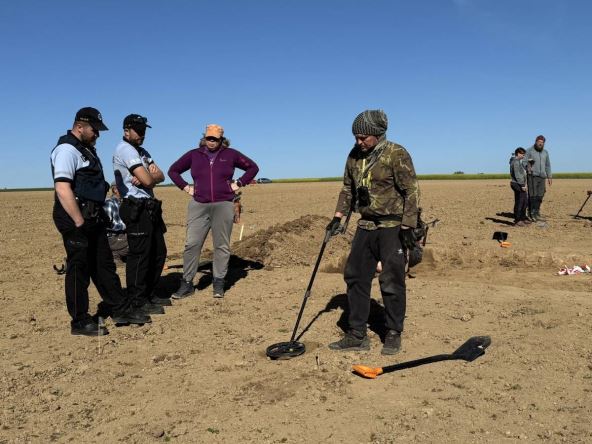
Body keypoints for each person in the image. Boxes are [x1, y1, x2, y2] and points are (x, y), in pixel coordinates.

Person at [50, 107, 151, 336]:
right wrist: (77, 221)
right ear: (80, 127)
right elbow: (63, 188)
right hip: (75, 217)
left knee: (104, 265)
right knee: (79, 269)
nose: (98, 134)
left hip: (92, 216)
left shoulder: (86, 150)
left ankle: (119, 309)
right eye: (94, 129)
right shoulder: (67, 150)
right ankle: (80, 321)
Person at [326, 109, 420, 355]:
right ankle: (357, 334)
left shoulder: (396, 154)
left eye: (364, 138)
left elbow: (411, 191)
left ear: (378, 134)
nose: (359, 142)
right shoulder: (354, 156)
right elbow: (347, 188)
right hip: (366, 224)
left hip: (392, 226)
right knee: (355, 275)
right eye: (356, 137)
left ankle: (393, 332)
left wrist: (409, 226)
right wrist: (338, 218)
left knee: (391, 279)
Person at [168, 124, 259, 299]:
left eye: (215, 139)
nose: (211, 142)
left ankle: (218, 282)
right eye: (209, 138)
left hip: (223, 204)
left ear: (221, 139)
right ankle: (186, 284)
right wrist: (186, 188)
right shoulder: (194, 155)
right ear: (204, 137)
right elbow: (173, 170)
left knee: (221, 246)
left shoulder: (231, 154)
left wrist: (238, 184)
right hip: (199, 205)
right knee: (192, 244)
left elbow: (253, 167)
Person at [113, 114, 169, 313]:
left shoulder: (142, 151)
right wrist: (148, 175)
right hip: (135, 205)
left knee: (158, 251)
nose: (142, 134)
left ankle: (150, 293)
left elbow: (160, 175)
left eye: (144, 130)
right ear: (126, 130)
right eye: (138, 130)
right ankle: (137, 298)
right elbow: (147, 180)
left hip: (150, 205)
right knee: (140, 254)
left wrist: (150, 176)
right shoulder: (125, 149)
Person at [525, 135, 552, 221]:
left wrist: (549, 176)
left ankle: (537, 212)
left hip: (542, 176)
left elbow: (547, 165)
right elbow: (524, 162)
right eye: (539, 142)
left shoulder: (545, 152)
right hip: (532, 176)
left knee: (540, 195)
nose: (540, 144)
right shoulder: (529, 150)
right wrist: (528, 167)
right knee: (533, 195)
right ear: (536, 141)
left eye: (542, 143)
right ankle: (531, 213)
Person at [103, 181, 129, 261]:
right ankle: (115, 253)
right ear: (115, 190)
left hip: (121, 237)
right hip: (116, 238)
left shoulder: (124, 202)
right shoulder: (109, 203)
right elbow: (106, 226)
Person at [509, 147, 531, 227]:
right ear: (518, 153)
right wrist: (522, 185)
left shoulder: (518, 161)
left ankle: (523, 218)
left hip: (520, 184)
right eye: (522, 154)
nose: (523, 156)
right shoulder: (515, 162)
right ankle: (518, 220)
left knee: (524, 201)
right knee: (520, 202)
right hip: (517, 184)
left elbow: (522, 172)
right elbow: (517, 175)